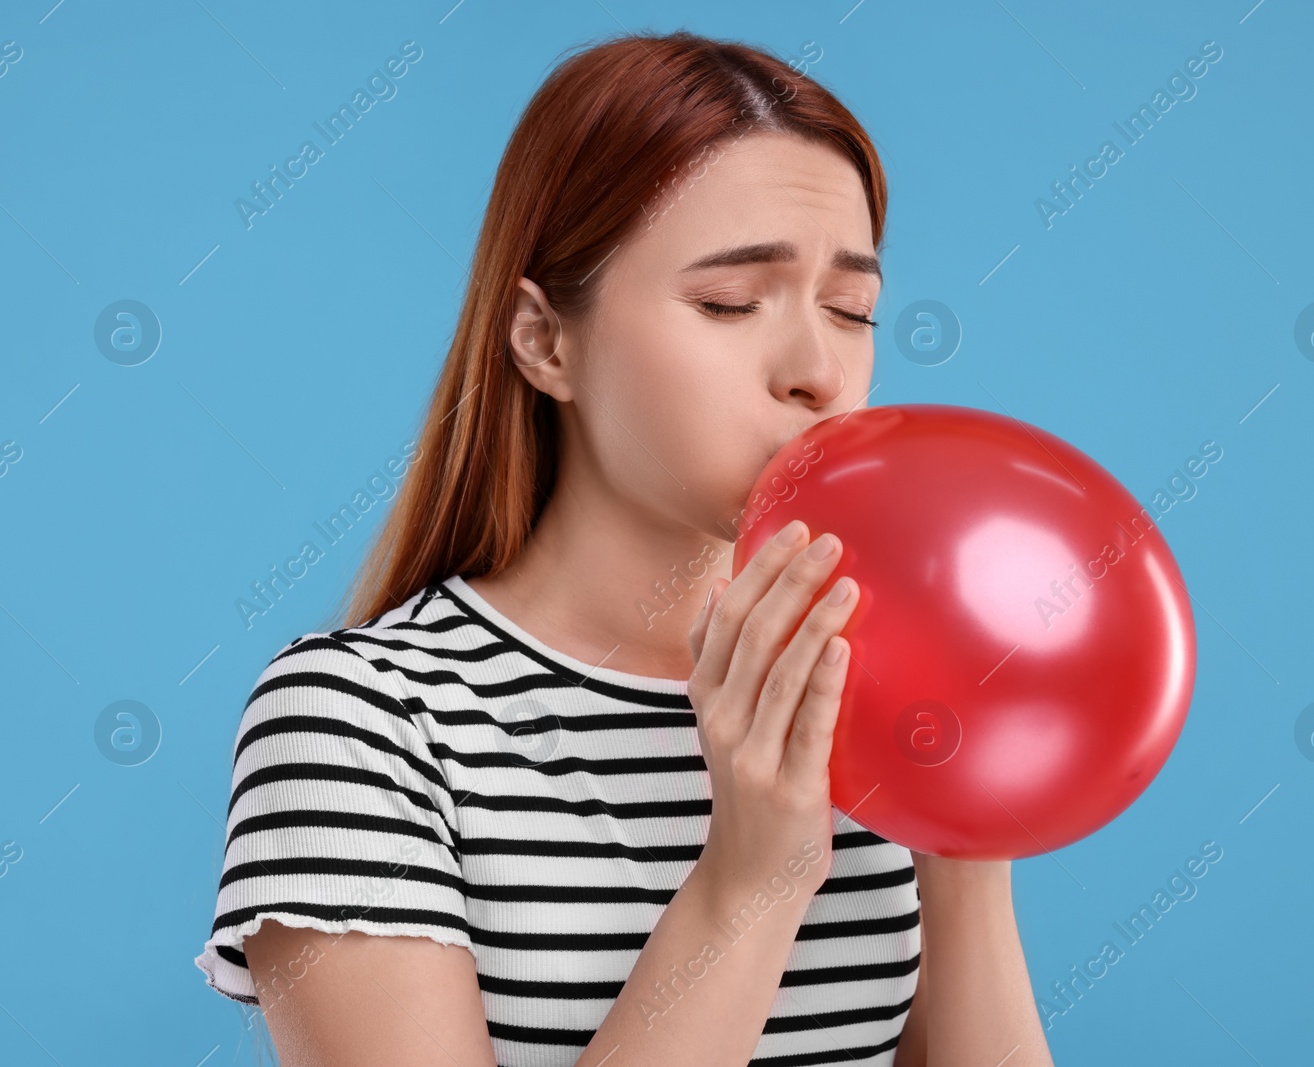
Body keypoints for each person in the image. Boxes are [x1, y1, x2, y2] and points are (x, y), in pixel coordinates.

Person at [194, 29, 1054, 1067]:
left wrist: (967, 852)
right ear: (545, 340)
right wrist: (750, 880)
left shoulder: (872, 689)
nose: (817, 370)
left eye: (851, 309)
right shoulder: (363, 724)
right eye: (730, 303)